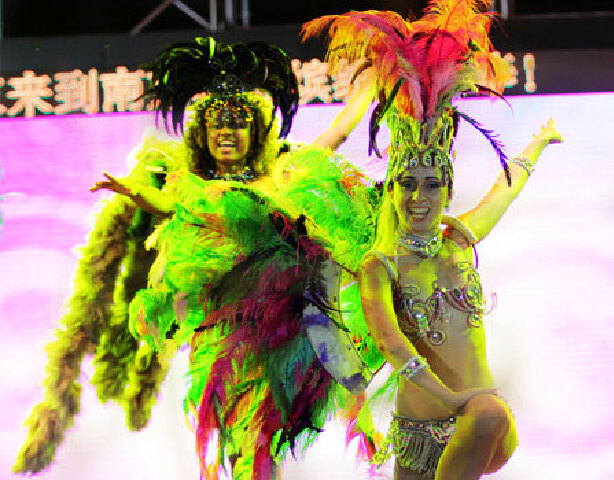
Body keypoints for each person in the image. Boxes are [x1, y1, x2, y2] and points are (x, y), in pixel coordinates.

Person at [13, 36, 374, 476]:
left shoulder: (280, 177)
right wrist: (135, 194)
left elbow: (333, 138)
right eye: (216, 124)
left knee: (260, 445)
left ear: (256, 131)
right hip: (216, 339)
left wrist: (367, 92)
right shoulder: (191, 188)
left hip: (274, 336)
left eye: (237, 123)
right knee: (233, 445)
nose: (227, 132)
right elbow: (167, 203)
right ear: (202, 134)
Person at [303, 1, 562, 478]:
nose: (419, 197)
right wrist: (453, 400)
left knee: (490, 414)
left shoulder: (459, 241)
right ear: (393, 190)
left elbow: (502, 192)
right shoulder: (380, 267)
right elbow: (394, 346)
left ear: (447, 190)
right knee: (484, 412)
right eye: (407, 184)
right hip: (423, 432)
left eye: (431, 184)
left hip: (482, 420)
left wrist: (538, 144)